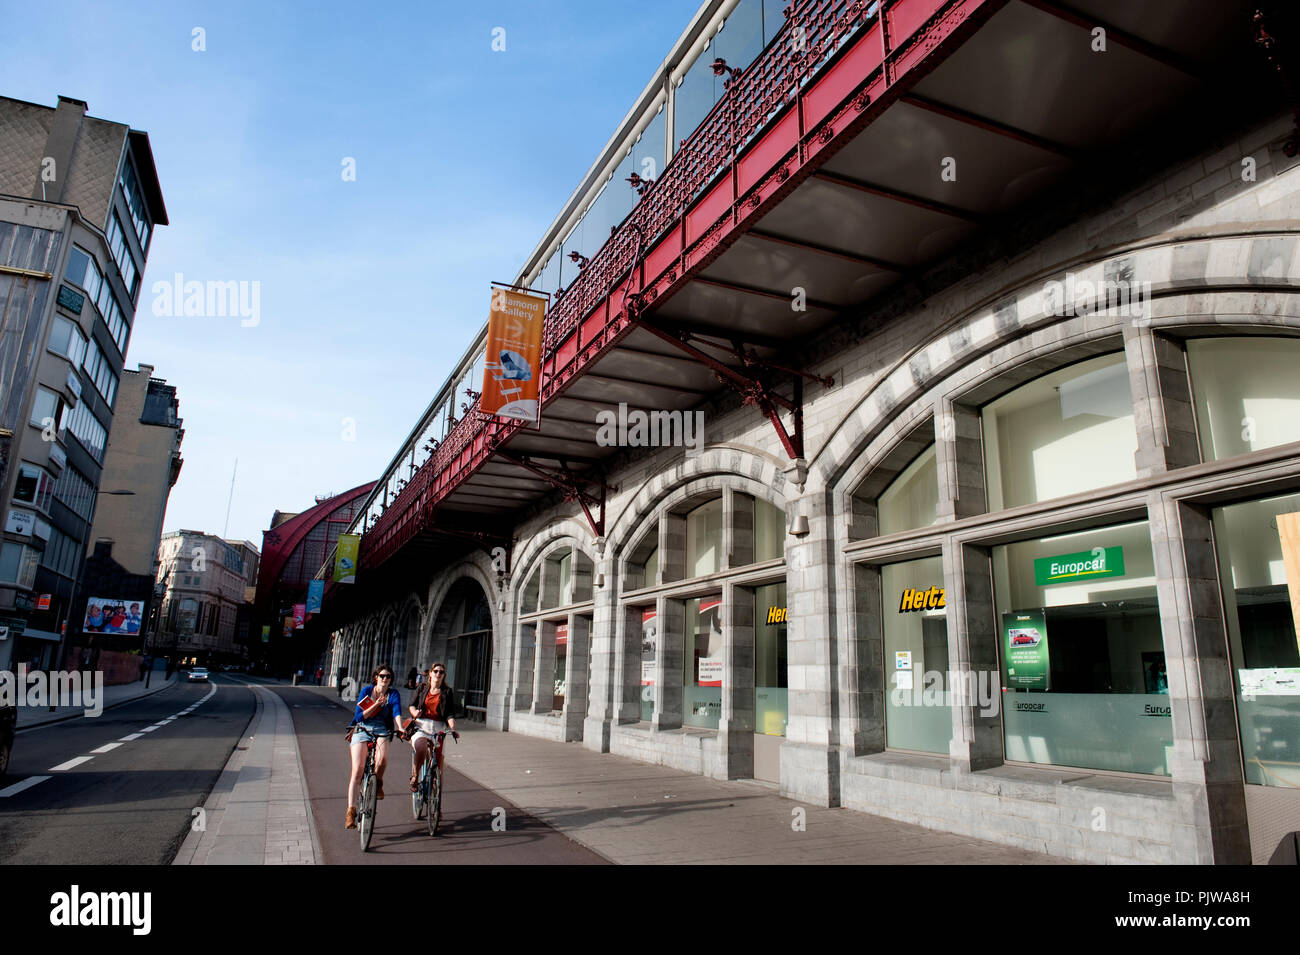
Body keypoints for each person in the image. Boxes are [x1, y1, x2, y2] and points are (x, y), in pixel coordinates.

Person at [345, 663, 406, 830]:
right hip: (363, 728)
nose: (385, 679)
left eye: (388, 677)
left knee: (382, 759)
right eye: (382, 676)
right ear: (376, 678)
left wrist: (400, 727)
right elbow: (360, 716)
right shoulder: (366, 691)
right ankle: (351, 811)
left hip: (382, 730)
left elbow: (397, 711)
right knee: (357, 770)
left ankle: (377, 781)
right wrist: (376, 704)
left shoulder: (393, 694)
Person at [405, 663, 458, 793]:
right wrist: (415, 713)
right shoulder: (422, 688)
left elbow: (450, 714)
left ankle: (436, 798)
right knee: (421, 748)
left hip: (438, 728)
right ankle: (415, 775)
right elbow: (412, 705)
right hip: (421, 726)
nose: (438, 674)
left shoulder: (447, 691)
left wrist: (453, 728)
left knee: (438, 764)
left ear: (444, 675)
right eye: (436, 671)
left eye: (441, 672)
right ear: (430, 673)